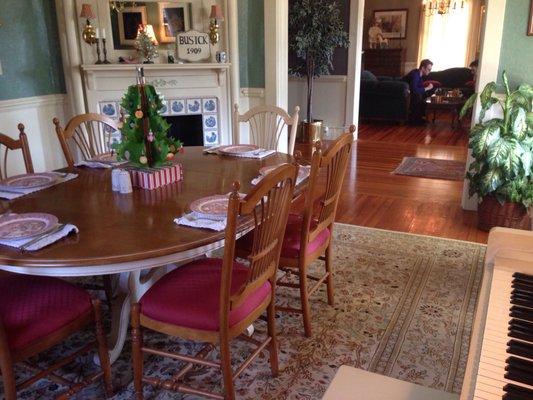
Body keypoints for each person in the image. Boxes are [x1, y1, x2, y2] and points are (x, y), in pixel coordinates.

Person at [404, 59, 435, 125]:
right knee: (418, 95)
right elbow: (414, 89)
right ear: (423, 68)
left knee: (426, 94)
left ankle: (420, 117)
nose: (430, 71)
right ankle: (415, 120)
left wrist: (427, 88)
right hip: (405, 92)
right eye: (429, 69)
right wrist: (427, 88)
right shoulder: (415, 74)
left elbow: (420, 87)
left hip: (411, 92)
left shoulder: (420, 75)